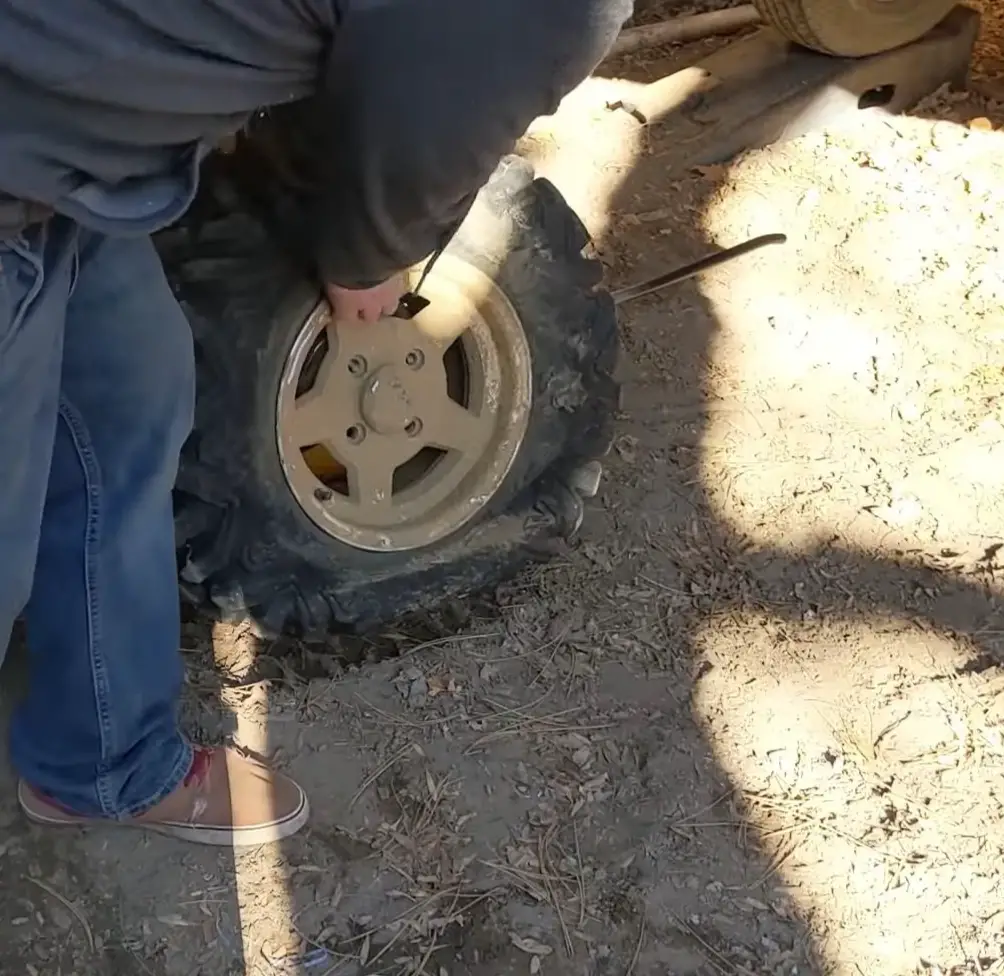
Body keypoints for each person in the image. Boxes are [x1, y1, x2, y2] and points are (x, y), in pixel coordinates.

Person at [0, 0, 633, 847]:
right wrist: (372, 252)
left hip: (64, 165)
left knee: (127, 400)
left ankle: (100, 765)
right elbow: (421, 122)